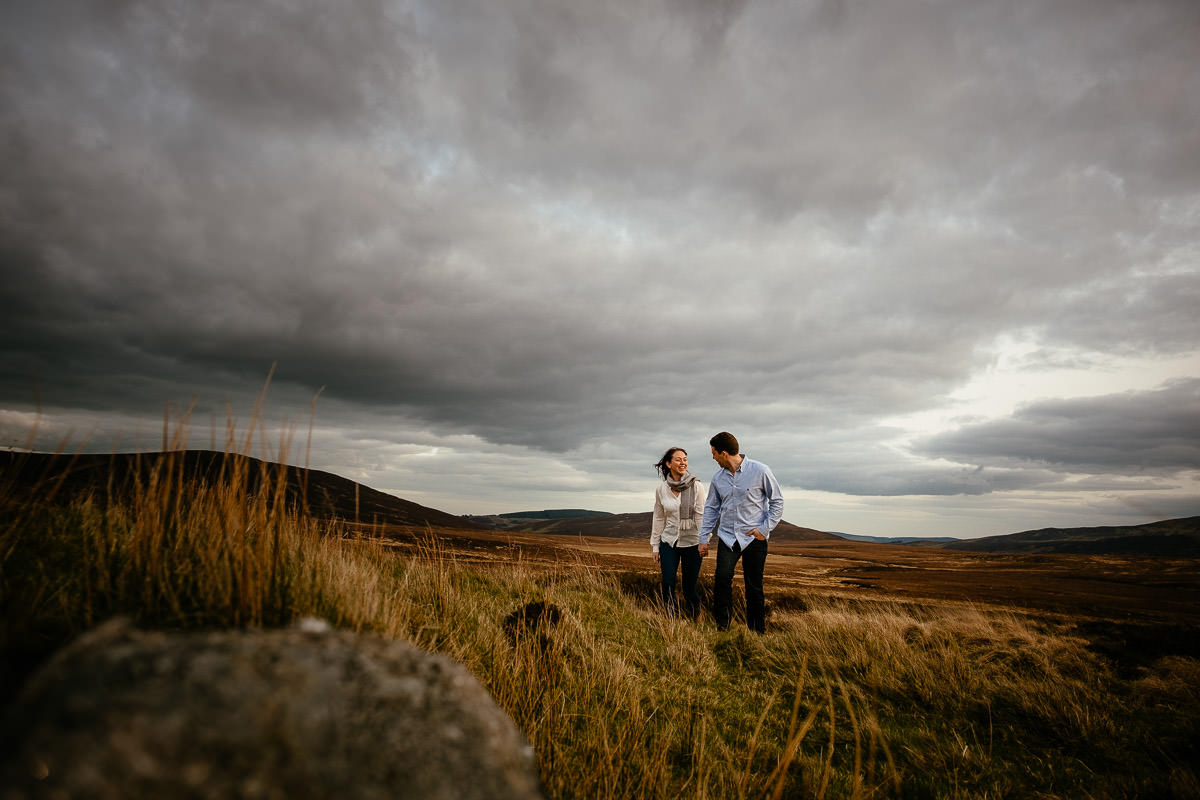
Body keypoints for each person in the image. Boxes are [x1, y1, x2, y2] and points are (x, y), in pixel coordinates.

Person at [700, 431, 784, 633]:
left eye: (714, 453)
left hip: (753, 538)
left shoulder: (760, 470)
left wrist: (764, 529)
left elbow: (777, 501)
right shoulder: (718, 478)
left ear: (724, 453)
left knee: (753, 586)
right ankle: (722, 627)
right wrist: (704, 538)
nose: (712, 458)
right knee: (722, 580)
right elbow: (711, 508)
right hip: (728, 537)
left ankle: (757, 632)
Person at [650, 447, 709, 618]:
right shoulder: (662, 489)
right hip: (669, 542)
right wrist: (655, 546)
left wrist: (703, 540)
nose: (683, 462)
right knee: (668, 582)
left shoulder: (696, 486)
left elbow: (700, 515)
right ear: (668, 464)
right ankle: (670, 619)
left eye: (685, 459)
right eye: (678, 459)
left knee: (689, 587)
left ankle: (693, 617)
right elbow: (659, 517)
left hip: (692, 542)